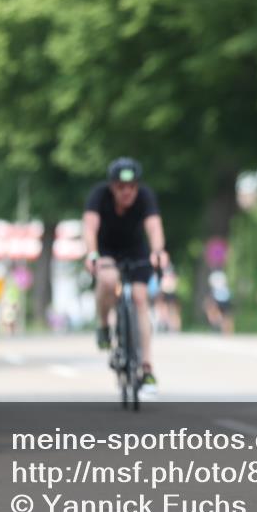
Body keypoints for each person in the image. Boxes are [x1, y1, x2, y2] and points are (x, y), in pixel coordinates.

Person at [84, 157, 170, 399]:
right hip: (106, 250)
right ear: (112, 187)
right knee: (109, 280)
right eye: (121, 187)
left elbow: (154, 227)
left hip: (136, 251)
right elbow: (90, 227)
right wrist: (91, 254)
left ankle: (146, 367)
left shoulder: (145, 196)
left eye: (131, 186)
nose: (127, 192)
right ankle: (103, 325)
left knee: (141, 299)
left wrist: (158, 251)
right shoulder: (99, 195)